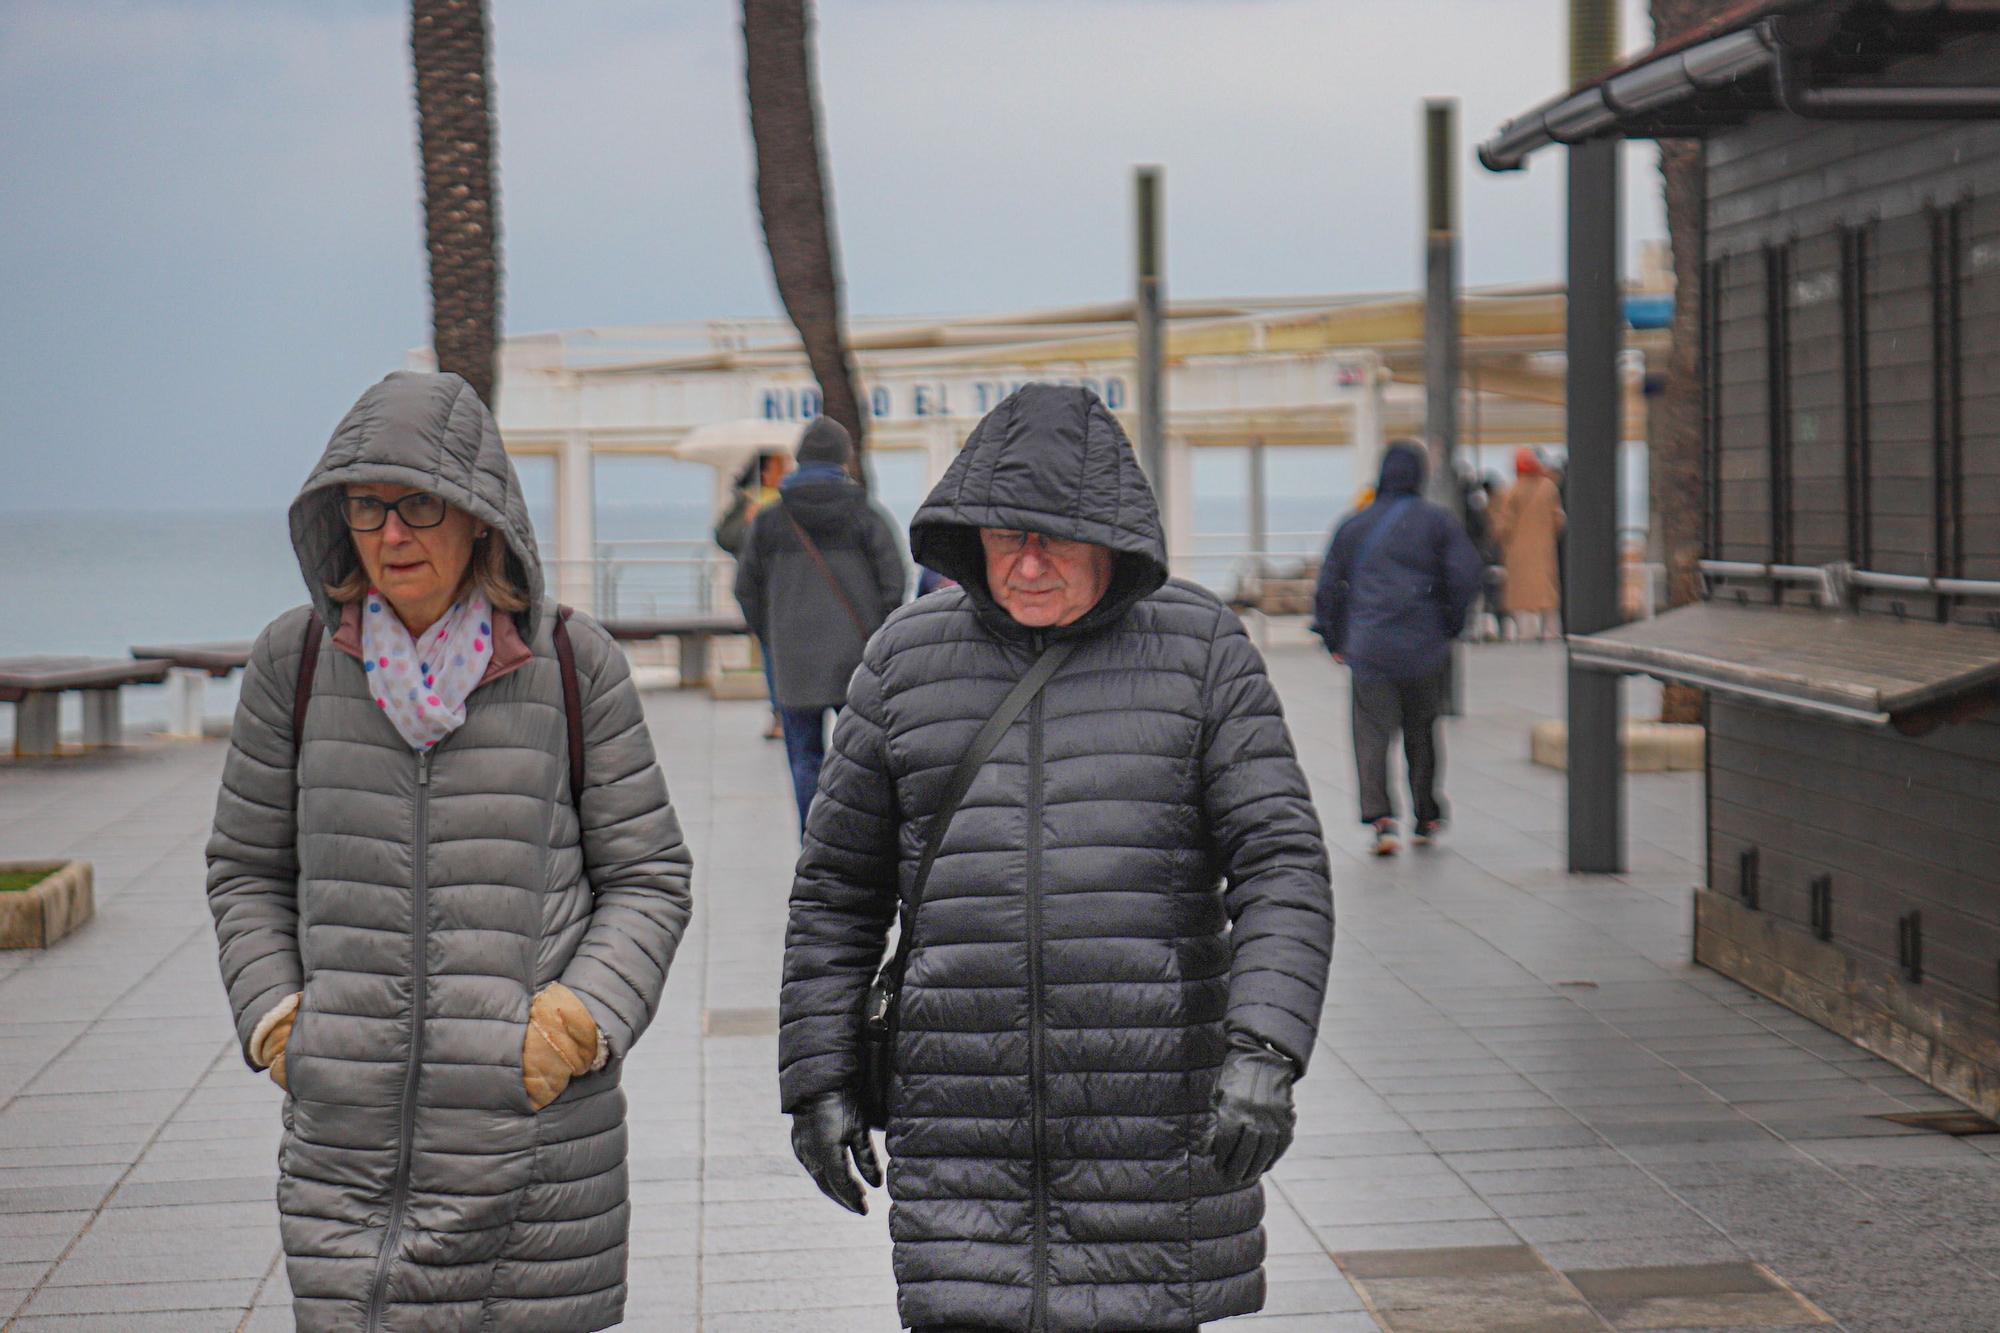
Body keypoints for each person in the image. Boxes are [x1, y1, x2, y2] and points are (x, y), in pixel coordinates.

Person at [778, 384, 1334, 1332]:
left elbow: (1281, 862)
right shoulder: (902, 661)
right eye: (1005, 536)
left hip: (1150, 1130)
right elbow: (837, 890)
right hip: (963, 1128)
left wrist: (1267, 1048)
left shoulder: (1201, 650)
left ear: (1113, 537)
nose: (1028, 562)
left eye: (1056, 537)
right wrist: (817, 1079)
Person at [205, 371, 694, 1332]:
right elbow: (246, 867)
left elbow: (649, 875)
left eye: (420, 504)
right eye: (366, 507)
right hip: (345, 1154)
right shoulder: (293, 662)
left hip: (537, 1154)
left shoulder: (573, 662)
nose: (391, 535)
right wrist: (278, 1019)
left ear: (480, 515)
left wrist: (577, 1022)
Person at [1312, 440, 1483, 856]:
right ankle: (1426, 814)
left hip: (1369, 647)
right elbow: (1465, 574)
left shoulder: (1355, 525)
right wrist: (1449, 625)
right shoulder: (1437, 524)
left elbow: (1328, 587)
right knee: (1422, 731)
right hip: (1424, 648)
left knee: (1371, 734)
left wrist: (1335, 638)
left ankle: (1381, 819)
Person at [733, 416, 906, 829]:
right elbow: (894, 582)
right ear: (844, 459)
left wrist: (773, 635)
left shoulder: (771, 521)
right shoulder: (866, 514)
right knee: (862, 760)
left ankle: (814, 844)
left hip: (793, 660)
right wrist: (876, 636)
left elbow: (745, 589)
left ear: (800, 458)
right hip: (857, 660)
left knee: (804, 758)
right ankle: (855, 845)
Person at [715, 448, 793, 740]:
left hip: (788, 590)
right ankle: (778, 713)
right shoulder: (747, 503)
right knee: (771, 653)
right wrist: (747, 521)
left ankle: (787, 712)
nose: (786, 472)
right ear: (765, 472)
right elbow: (725, 537)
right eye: (780, 467)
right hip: (763, 593)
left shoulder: (790, 501)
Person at [1493, 447, 1566, 641]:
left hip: (1518, 553)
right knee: (1546, 590)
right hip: (1544, 550)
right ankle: (1550, 631)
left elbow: (1503, 525)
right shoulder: (1548, 488)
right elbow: (1559, 520)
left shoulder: (1512, 491)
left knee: (1521, 595)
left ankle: (1526, 632)